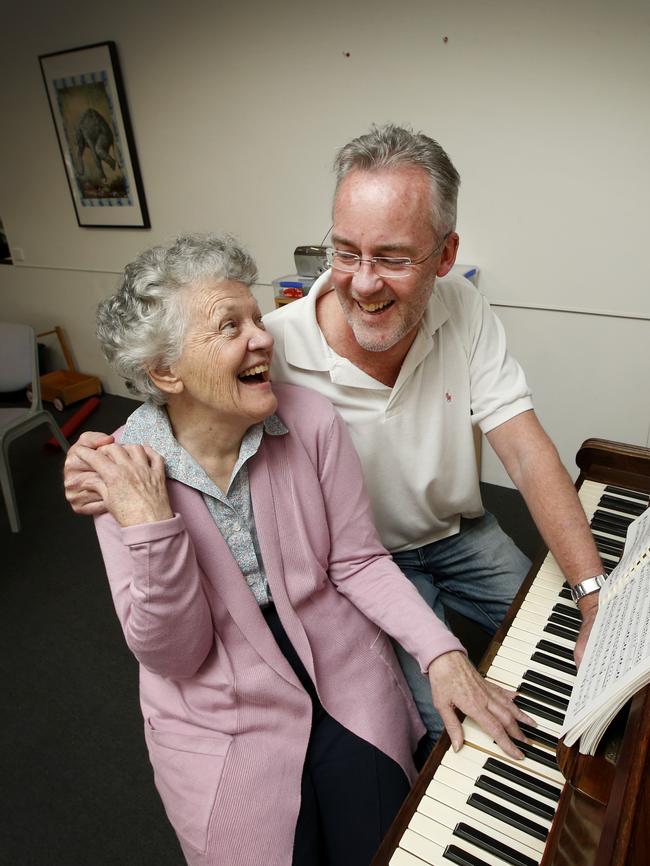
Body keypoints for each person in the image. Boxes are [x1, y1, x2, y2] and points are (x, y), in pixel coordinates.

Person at [65, 124, 603, 756]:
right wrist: (97, 454)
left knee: (575, 641)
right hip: (362, 564)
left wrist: (592, 589)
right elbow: (182, 409)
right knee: (447, 731)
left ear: (446, 255)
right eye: (345, 253)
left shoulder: (464, 309)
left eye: (394, 258)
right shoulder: (276, 347)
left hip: (462, 534)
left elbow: (525, 450)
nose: (364, 282)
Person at [76, 233, 533, 866]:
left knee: (384, 836)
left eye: (256, 319)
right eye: (229, 326)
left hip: (339, 669)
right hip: (220, 709)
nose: (262, 338)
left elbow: (358, 561)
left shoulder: (312, 420)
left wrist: (443, 652)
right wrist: (152, 525)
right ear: (164, 371)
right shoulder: (121, 472)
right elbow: (174, 655)